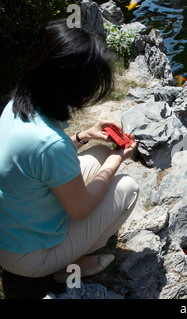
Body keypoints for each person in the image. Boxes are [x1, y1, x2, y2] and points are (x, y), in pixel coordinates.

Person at [0, 19, 139, 283]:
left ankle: (66, 250)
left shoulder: (14, 107)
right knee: (128, 188)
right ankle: (66, 265)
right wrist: (116, 159)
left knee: (97, 151)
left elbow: (40, 160)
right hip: (29, 257)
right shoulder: (51, 145)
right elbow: (81, 210)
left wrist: (84, 136)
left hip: (12, 231)